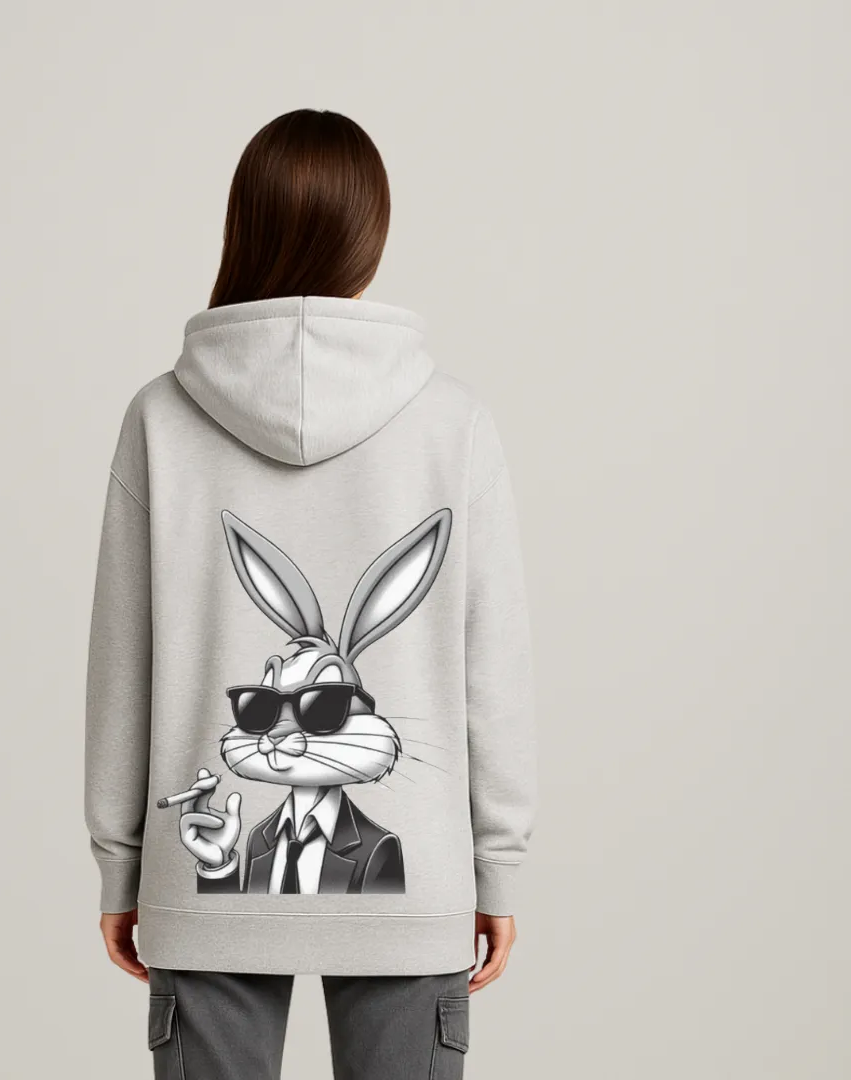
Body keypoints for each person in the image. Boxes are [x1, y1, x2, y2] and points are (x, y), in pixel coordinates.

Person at [84, 108, 537, 1080]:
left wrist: (123, 862)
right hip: (415, 895)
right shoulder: (453, 423)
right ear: (371, 236)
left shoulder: (160, 418)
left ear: (242, 227)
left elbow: (122, 665)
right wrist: (495, 865)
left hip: (201, 882)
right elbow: (492, 671)